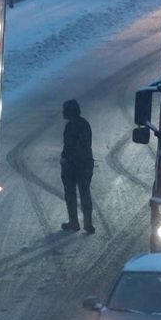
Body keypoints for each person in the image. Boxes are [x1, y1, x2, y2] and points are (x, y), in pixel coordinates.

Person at [60, 99, 95, 233]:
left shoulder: (70, 126)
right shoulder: (85, 124)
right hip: (85, 163)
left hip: (72, 165)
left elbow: (69, 147)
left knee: (70, 194)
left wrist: (64, 159)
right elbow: (86, 145)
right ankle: (88, 223)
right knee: (85, 193)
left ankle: (74, 223)